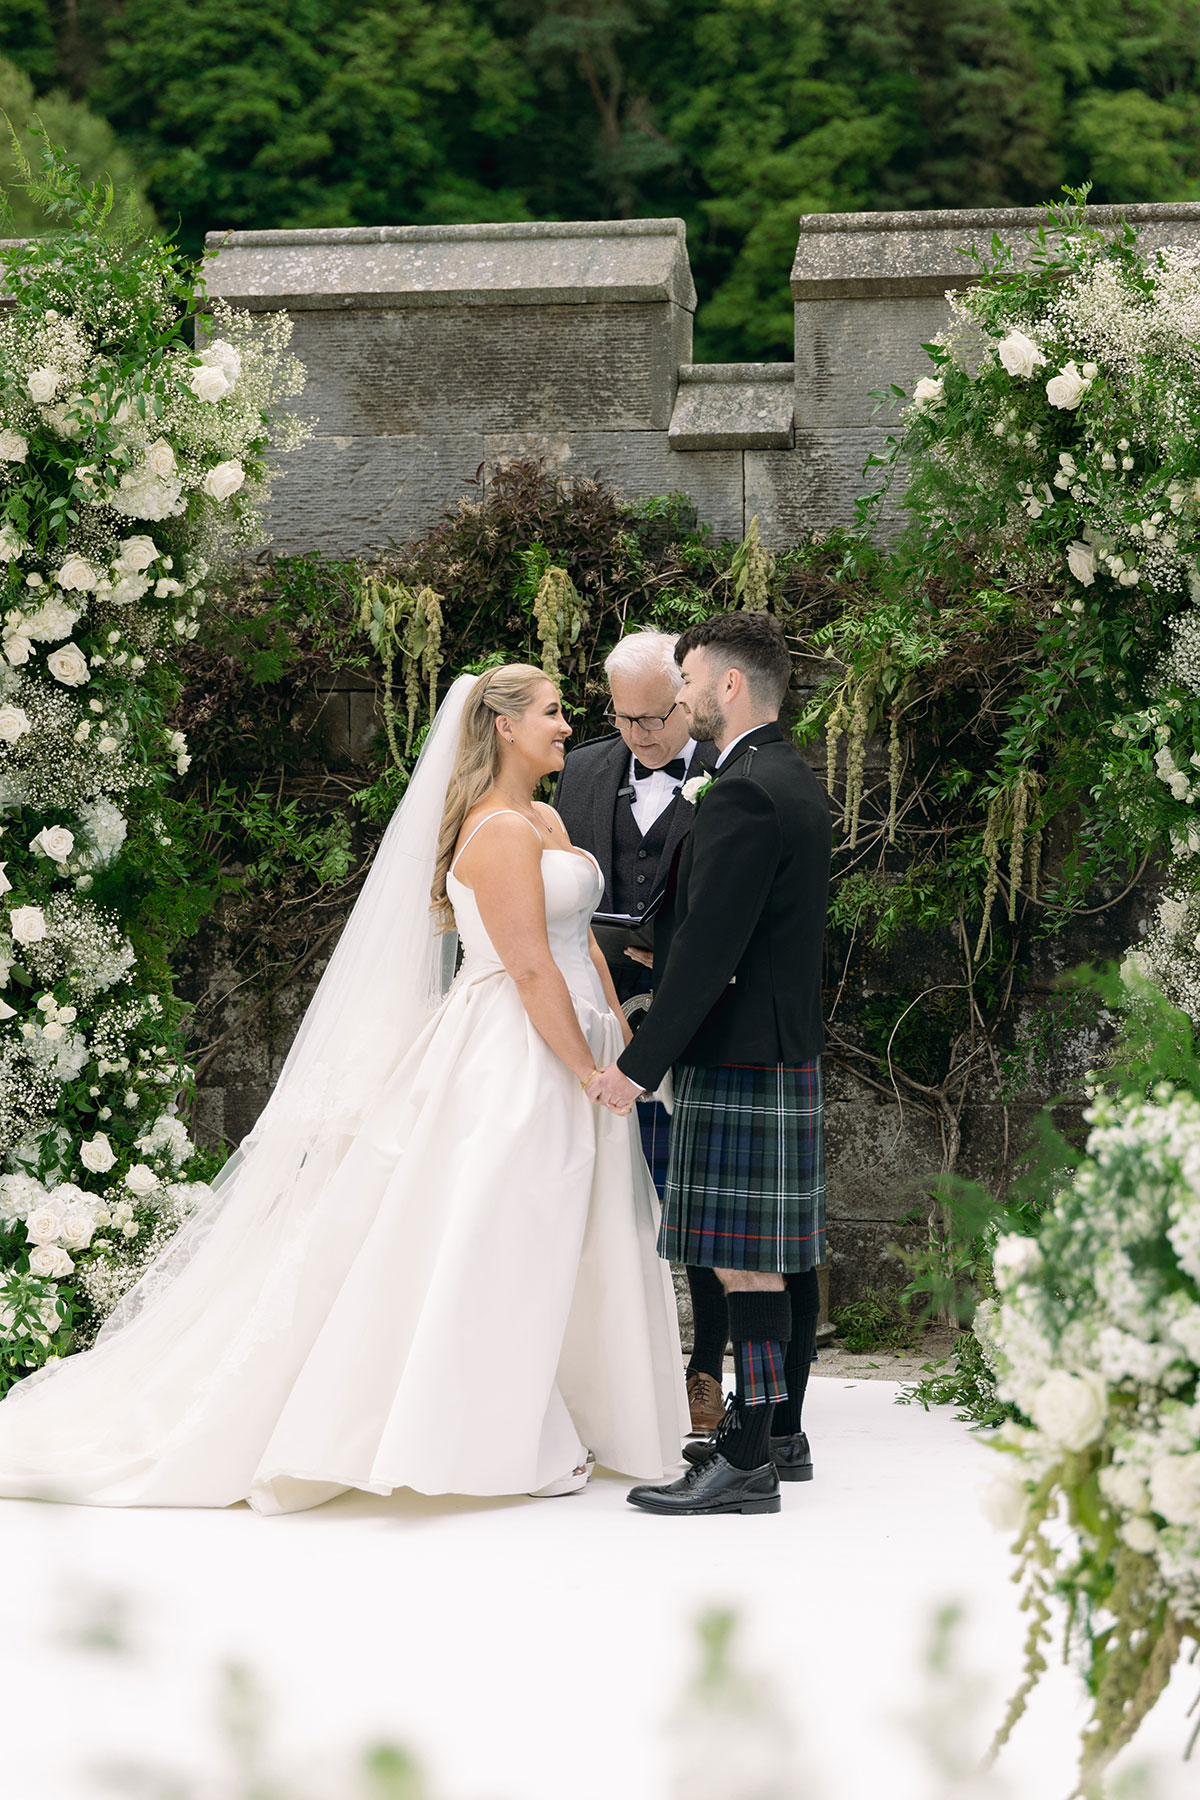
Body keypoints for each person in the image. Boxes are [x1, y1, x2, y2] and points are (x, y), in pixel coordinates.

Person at [0, 666, 687, 1513]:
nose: (564, 724)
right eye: (550, 712)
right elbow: (527, 966)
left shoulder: (546, 816)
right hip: (512, 1053)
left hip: (572, 1036)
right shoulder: (499, 830)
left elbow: (580, 948)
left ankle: (569, 1411)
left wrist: (619, 1041)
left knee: (561, 1228)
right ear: (504, 727)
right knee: (501, 1230)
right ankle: (490, 1430)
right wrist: (584, 1069)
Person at [589, 613, 831, 1517]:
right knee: (759, 1261)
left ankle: (745, 1459)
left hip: (737, 1055)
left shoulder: (739, 790)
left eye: (688, 679)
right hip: (777, 1048)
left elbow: (711, 951)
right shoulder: (788, 778)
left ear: (728, 686)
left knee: (745, 1267)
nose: (679, 694)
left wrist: (638, 1065)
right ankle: (766, 1443)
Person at [554, 629, 727, 1437]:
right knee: (601, 1194)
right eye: (625, 719)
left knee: (697, 1197)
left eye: (655, 717)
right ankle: (603, 1373)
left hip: (701, 1018)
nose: (641, 735)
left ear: (685, 701)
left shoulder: (730, 772)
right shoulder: (584, 770)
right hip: (601, 1015)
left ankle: (703, 1372)